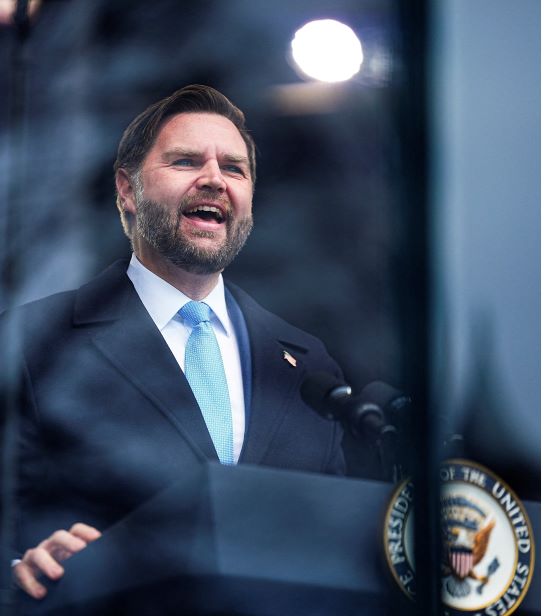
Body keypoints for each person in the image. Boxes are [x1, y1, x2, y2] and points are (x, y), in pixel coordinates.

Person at [4, 85, 347, 601]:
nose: (214, 179)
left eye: (234, 169)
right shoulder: (34, 345)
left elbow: (338, 542)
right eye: (186, 162)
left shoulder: (308, 367)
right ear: (127, 190)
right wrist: (18, 568)